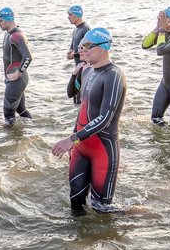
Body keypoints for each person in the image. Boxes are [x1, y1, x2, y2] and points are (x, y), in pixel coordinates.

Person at [51, 28, 126, 215]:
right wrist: (75, 73)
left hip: (103, 150)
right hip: (81, 148)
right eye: (80, 46)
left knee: (103, 210)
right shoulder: (87, 71)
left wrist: (71, 139)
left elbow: (105, 119)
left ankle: (143, 216)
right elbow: (71, 93)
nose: (81, 50)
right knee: (75, 202)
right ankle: (76, 241)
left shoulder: (113, 75)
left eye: (86, 46)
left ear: (103, 47)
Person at [0, 7, 33, 127]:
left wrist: (18, 73)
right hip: (13, 80)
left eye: (0, 20)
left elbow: (28, 57)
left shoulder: (16, 36)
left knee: (8, 115)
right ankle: (34, 127)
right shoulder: (8, 34)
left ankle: (8, 143)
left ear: (8, 20)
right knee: (21, 110)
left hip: (17, 80)